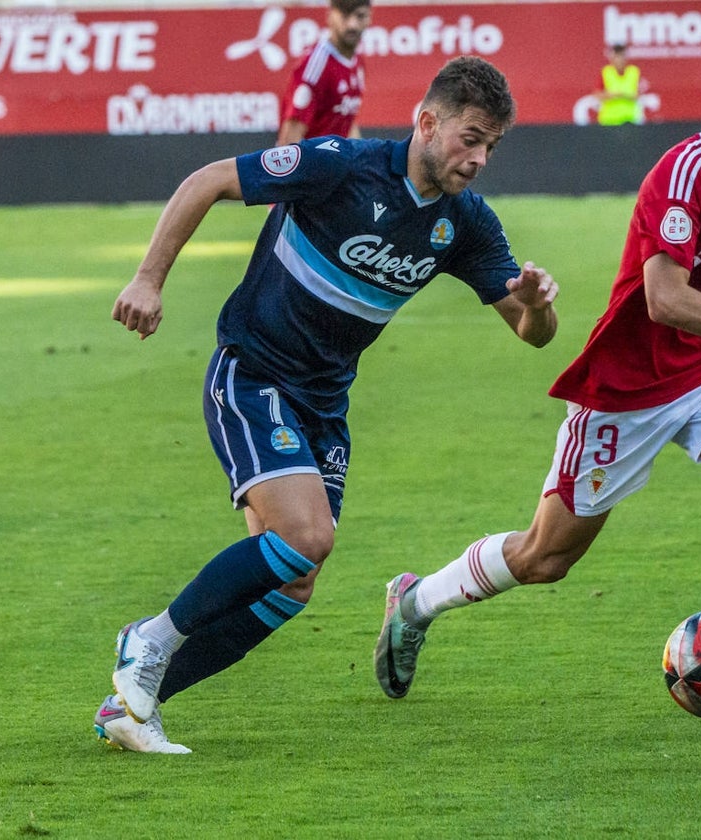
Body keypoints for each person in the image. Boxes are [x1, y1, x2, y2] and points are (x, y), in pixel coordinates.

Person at [375, 40, 701, 707]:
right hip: (622, 392)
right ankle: (416, 601)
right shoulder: (684, 173)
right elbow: (666, 298)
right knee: (547, 558)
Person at [94, 56, 559, 754]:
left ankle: (133, 705)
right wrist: (148, 280)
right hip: (253, 374)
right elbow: (208, 180)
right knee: (307, 538)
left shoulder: (466, 224)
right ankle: (149, 639)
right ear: (427, 123)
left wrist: (535, 305)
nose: (479, 157)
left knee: (293, 584)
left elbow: (531, 336)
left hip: (323, 404)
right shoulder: (342, 165)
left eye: (491, 144)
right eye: (470, 137)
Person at [276, 0, 371, 145]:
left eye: (360, 16)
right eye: (345, 16)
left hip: (336, 165)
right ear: (330, 16)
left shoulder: (357, 63)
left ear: (369, 18)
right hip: (311, 165)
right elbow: (290, 139)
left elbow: (346, 122)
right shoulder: (316, 66)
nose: (352, 24)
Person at [595, 43, 645, 125]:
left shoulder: (634, 72)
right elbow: (597, 94)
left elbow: (639, 94)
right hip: (609, 119)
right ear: (612, 58)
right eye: (617, 56)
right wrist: (612, 95)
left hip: (630, 118)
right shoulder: (606, 72)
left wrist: (625, 95)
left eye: (622, 56)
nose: (619, 60)